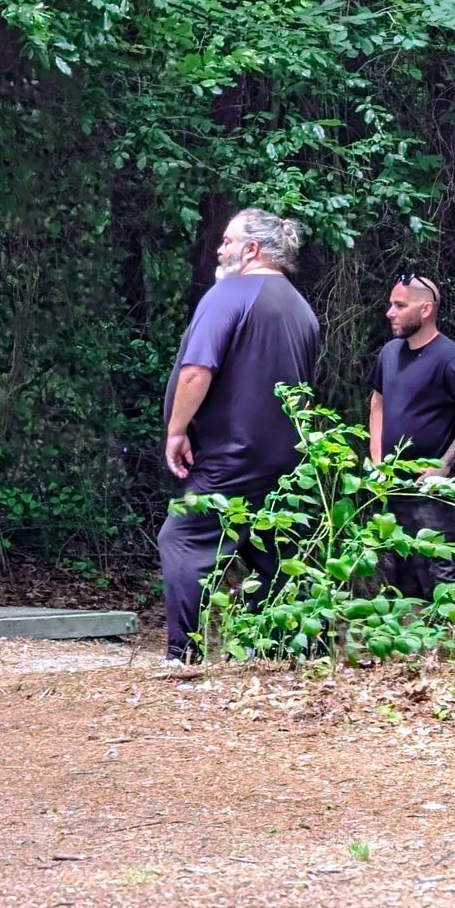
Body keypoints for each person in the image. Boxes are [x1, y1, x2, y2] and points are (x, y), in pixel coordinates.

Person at [159, 208, 321, 662]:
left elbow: (196, 370)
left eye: (228, 241)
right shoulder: (300, 308)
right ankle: (291, 648)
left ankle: (182, 653)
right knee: (272, 547)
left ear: (252, 250)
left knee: (183, 537)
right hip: (286, 460)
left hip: (233, 453)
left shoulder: (231, 292)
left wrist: (176, 430)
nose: (219, 249)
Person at [366, 273, 455, 599]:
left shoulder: (448, 356)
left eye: (399, 305)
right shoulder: (389, 353)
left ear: (425, 310)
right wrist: (378, 460)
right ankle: (413, 651)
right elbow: (377, 402)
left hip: (435, 497)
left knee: (447, 576)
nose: (389, 312)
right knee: (401, 575)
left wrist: (443, 466)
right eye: (390, 304)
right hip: (394, 489)